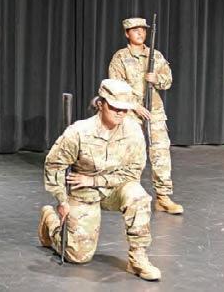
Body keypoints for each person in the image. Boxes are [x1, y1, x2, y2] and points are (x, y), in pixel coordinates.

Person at [38, 79, 161, 281]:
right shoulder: (79, 132)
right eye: (115, 108)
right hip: (83, 191)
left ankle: (137, 258)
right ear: (100, 104)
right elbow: (54, 165)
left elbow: (133, 173)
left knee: (138, 196)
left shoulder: (133, 131)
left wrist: (94, 181)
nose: (120, 113)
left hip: (114, 187)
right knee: (78, 256)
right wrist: (62, 200)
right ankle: (50, 221)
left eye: (125, 109)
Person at [108, 17, 183, 214]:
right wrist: (134, 106)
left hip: (154, 111)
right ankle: (128, 195)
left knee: (160, 152)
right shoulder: (120, 58)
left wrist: (156, 78)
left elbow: (168, 80)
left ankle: (163, 197)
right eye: (135, 30)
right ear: (127, 33)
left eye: (143, 29)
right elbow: (115, 87)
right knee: (131, 154)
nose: (140, 33)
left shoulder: (155, 55)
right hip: (129, 113)